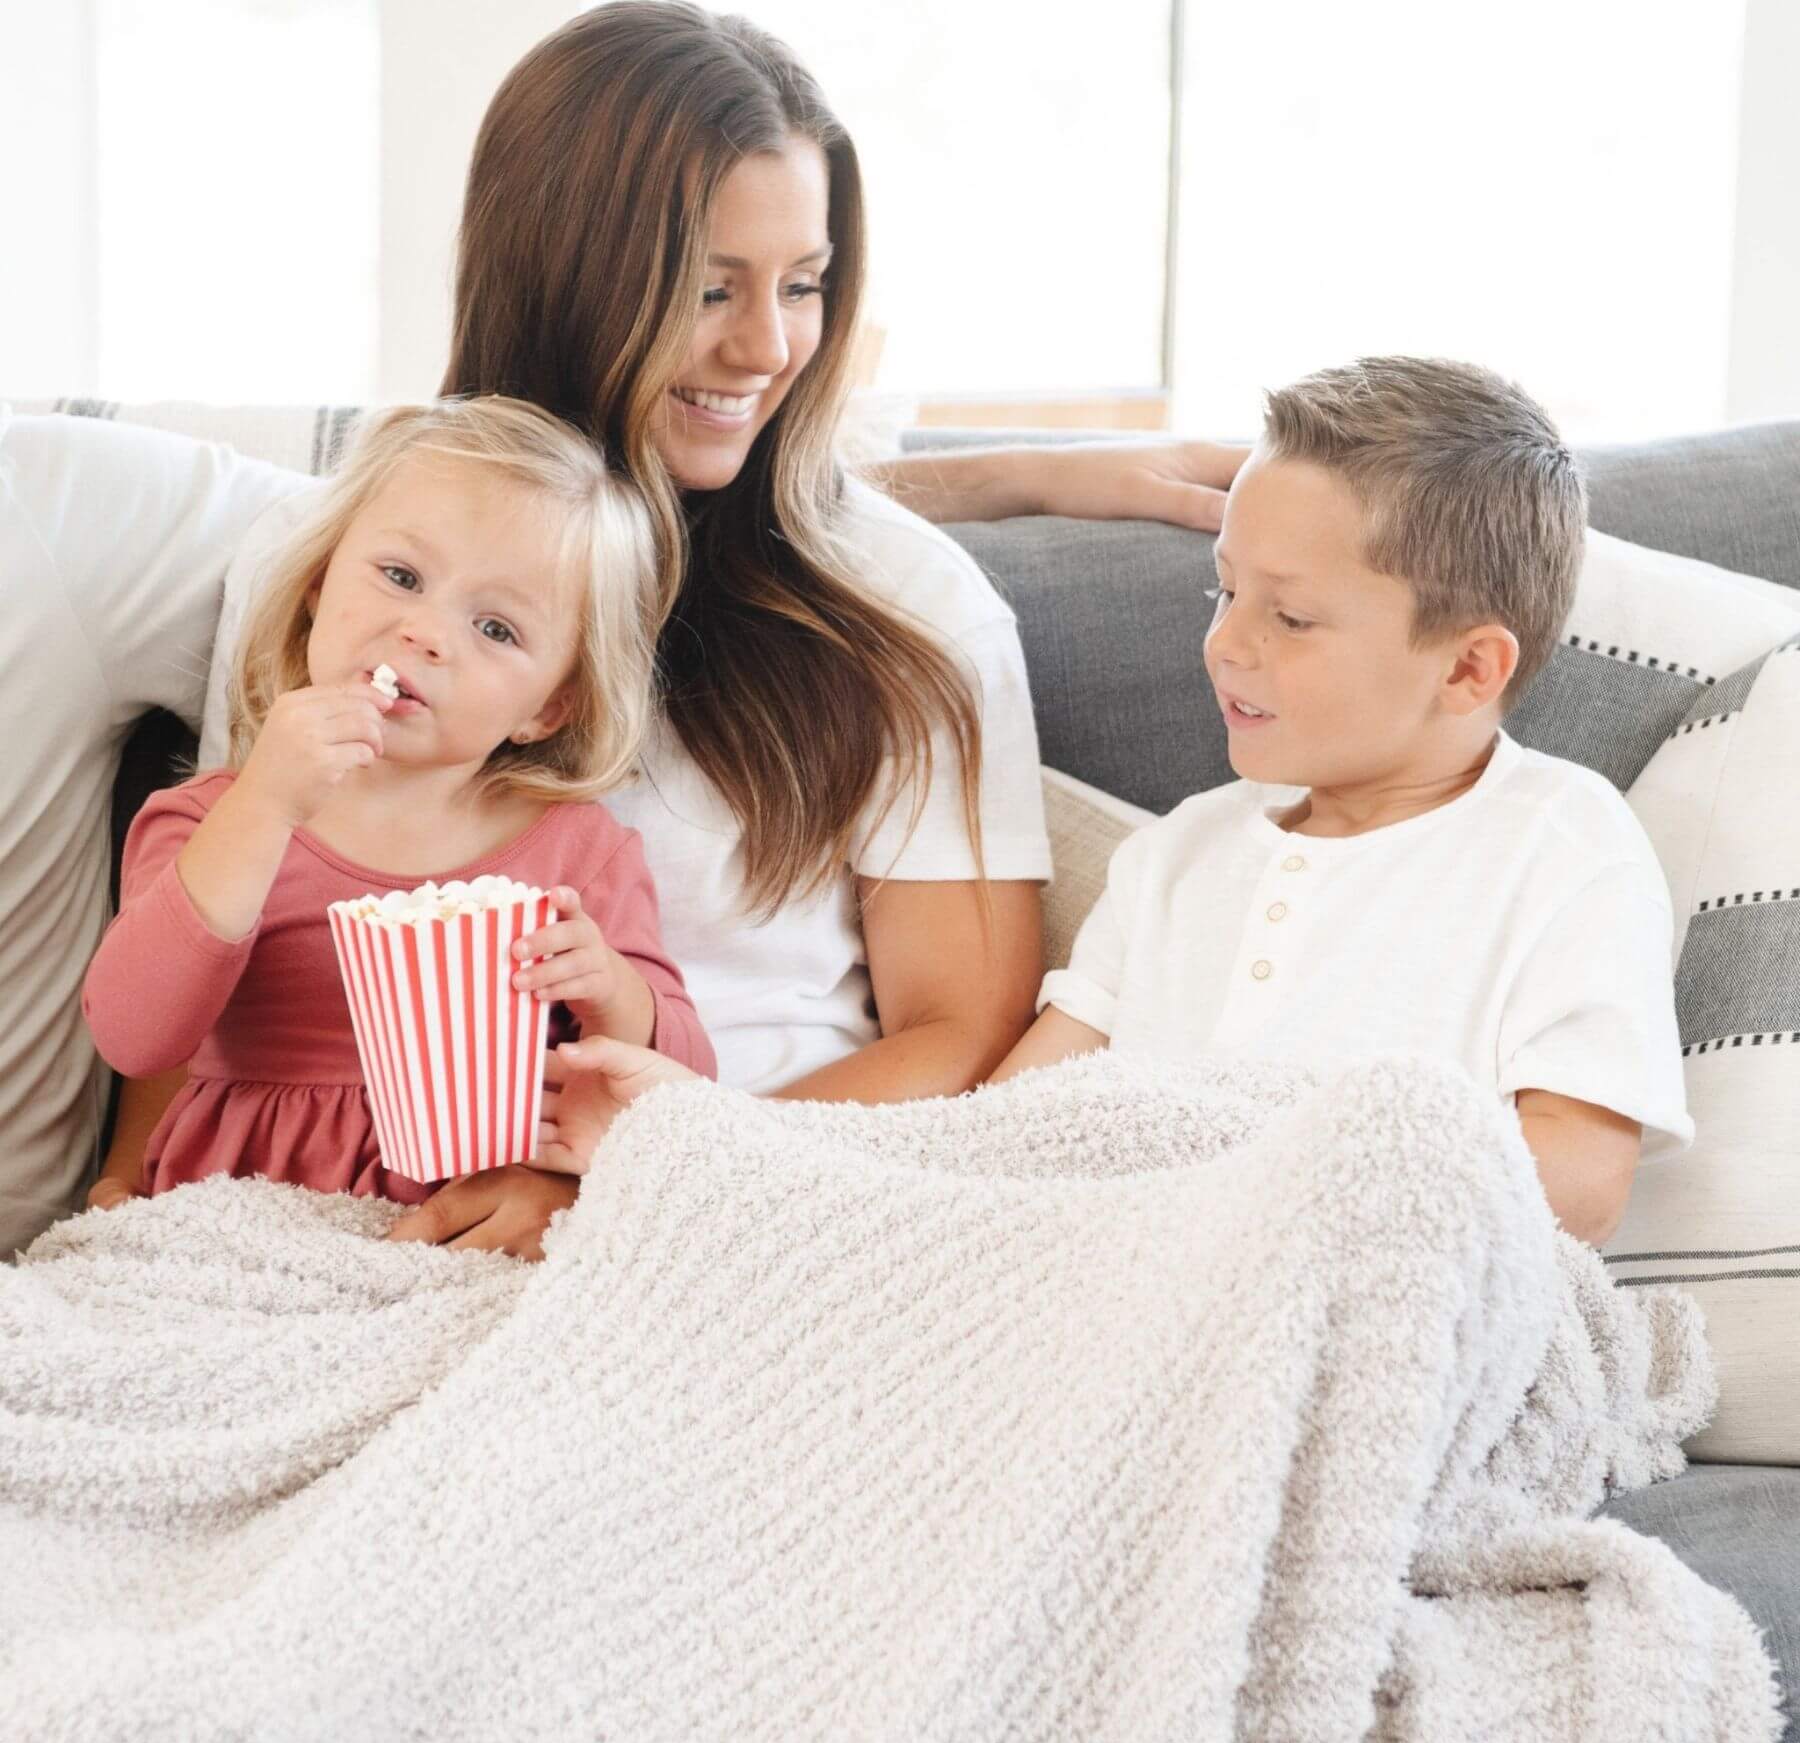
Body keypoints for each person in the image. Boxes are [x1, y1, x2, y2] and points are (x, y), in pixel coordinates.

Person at [7, 0, 1246, 1258]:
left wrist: (631, 1184)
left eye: (804, 285)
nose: (768, 348)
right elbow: (220, 934)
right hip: (321, 1236)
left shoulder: (910, 613)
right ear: (560, 272)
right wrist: (123, 1193)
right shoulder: (345, 564)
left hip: (732, 1219)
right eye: (712, 288)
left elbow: (963, 1040)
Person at [548, 357, 1695, 1249]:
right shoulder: (1185, 853)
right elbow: (1001, 1137)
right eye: (1225, 589)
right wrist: (705, 1145)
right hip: (1122, 1284)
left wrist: (1282, 1210)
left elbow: (1580, 1187)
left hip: (1372, 1291)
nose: (1227, 643)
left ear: (1468, 669)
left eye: (1289, 618)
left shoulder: (1562, 844)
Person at [81, 397, 712, 1209]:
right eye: (402, 577)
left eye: (495, 628)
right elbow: (134, 1034)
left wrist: (613, 993)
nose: (426, 633)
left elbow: (687, 1086)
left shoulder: (580, 857)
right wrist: (265, 806)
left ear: (547, 711)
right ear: (316, 588)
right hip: (235, 1219)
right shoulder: (209, 819)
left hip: (473, 1230)